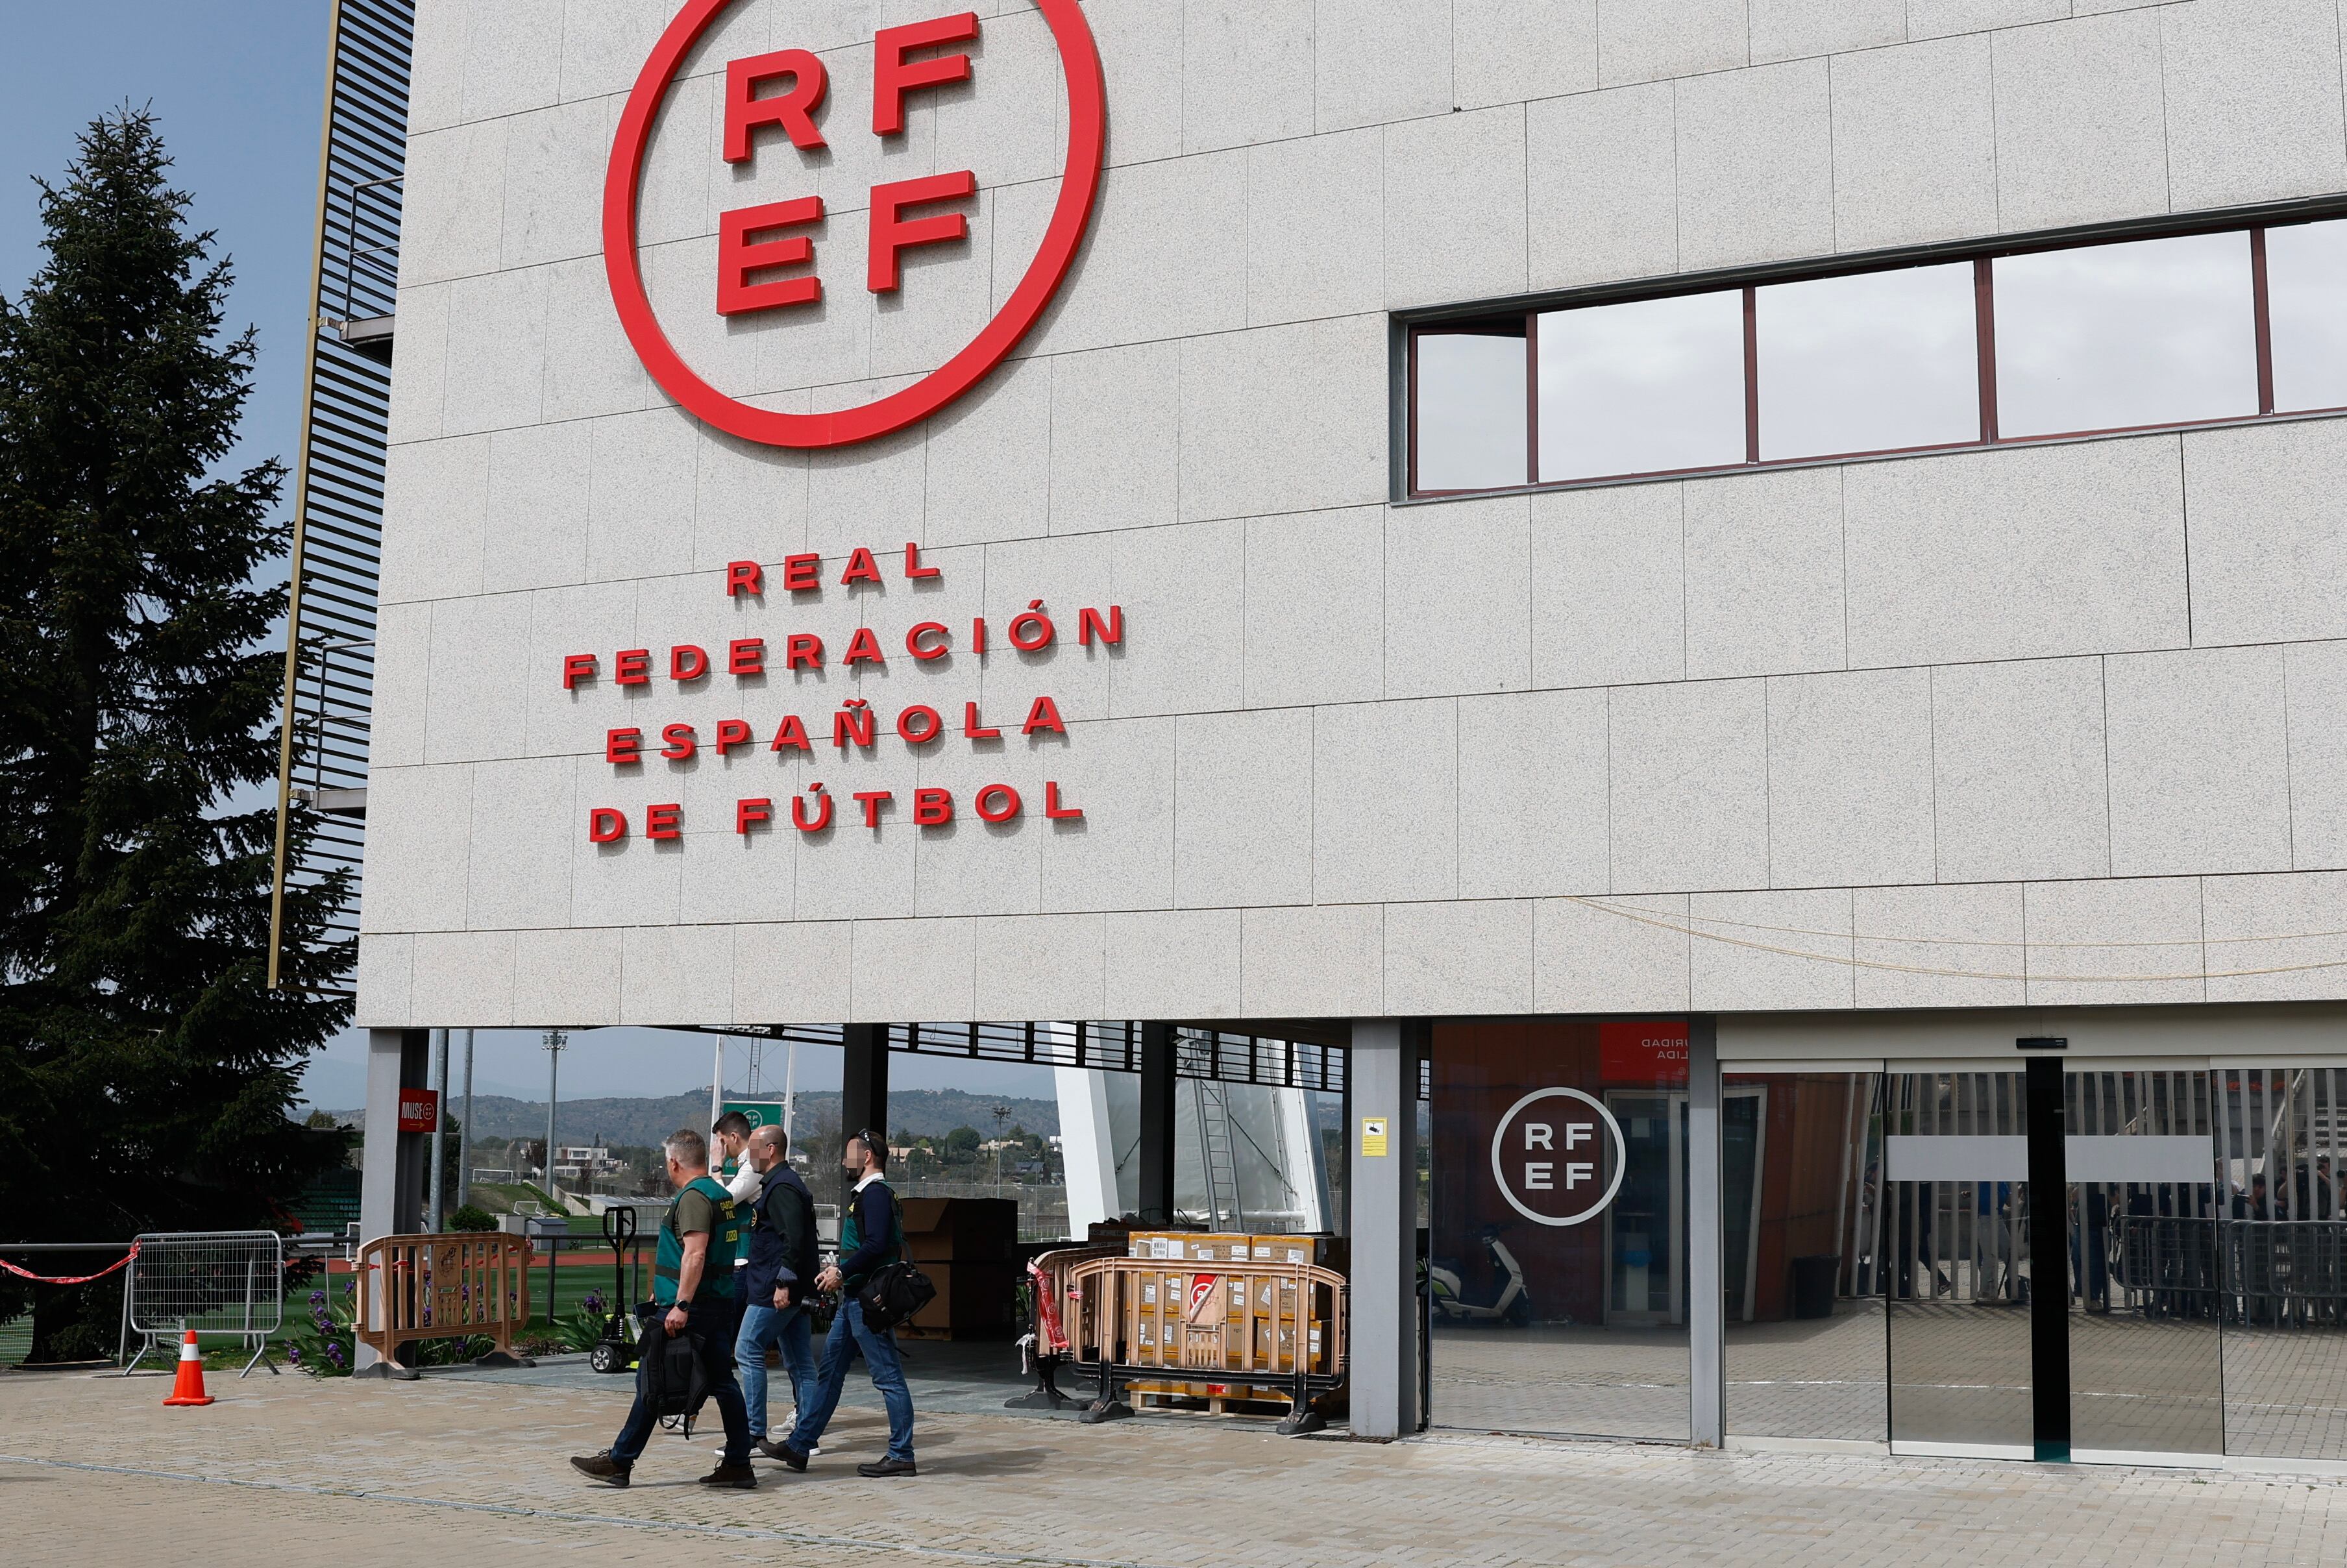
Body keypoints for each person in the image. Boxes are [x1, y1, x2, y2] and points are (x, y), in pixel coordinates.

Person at [571, 1129, 755, 1490]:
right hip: (718, 1302)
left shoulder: (694, 1198)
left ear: (673, 1162)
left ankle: (620, 1462)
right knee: (723, 1384)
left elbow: (696, 1253)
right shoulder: (719, 1193)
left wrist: (681, 1304)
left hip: (693, 1307)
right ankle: (738, 1463)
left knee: (652, 1379)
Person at [772, 1129, 916, 1478]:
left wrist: (842, 1270)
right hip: (855, 1299)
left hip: (866, 1302)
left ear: (867, 1157)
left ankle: (901, 1454)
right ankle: (799, 1445)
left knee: (889, 1379)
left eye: (849, 1153)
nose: (843, 1160)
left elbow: (876, 1245)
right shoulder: (868, 1195)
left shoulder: (876, 1195)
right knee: (830, 1374)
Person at [735, 1123, 820, 1460]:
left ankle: (753, 1434)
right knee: (801, 1363)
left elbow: (794, 1239)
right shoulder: (780, 1184)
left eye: (754, 1149)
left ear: (771, 1150)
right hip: (783, 1288)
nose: (749, 1157)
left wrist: (784, 1284)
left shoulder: (782, 1187)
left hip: (775, 1290)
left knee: (747, 1350)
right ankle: (806, 1437)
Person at [714, 1110, 759, 1343]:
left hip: (747, 1258)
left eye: (721, 1142)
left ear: (733, 1137)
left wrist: (716, 1168)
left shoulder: (754, 1163)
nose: (720, 1149)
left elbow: (723, 1201)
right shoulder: (749, 1163)